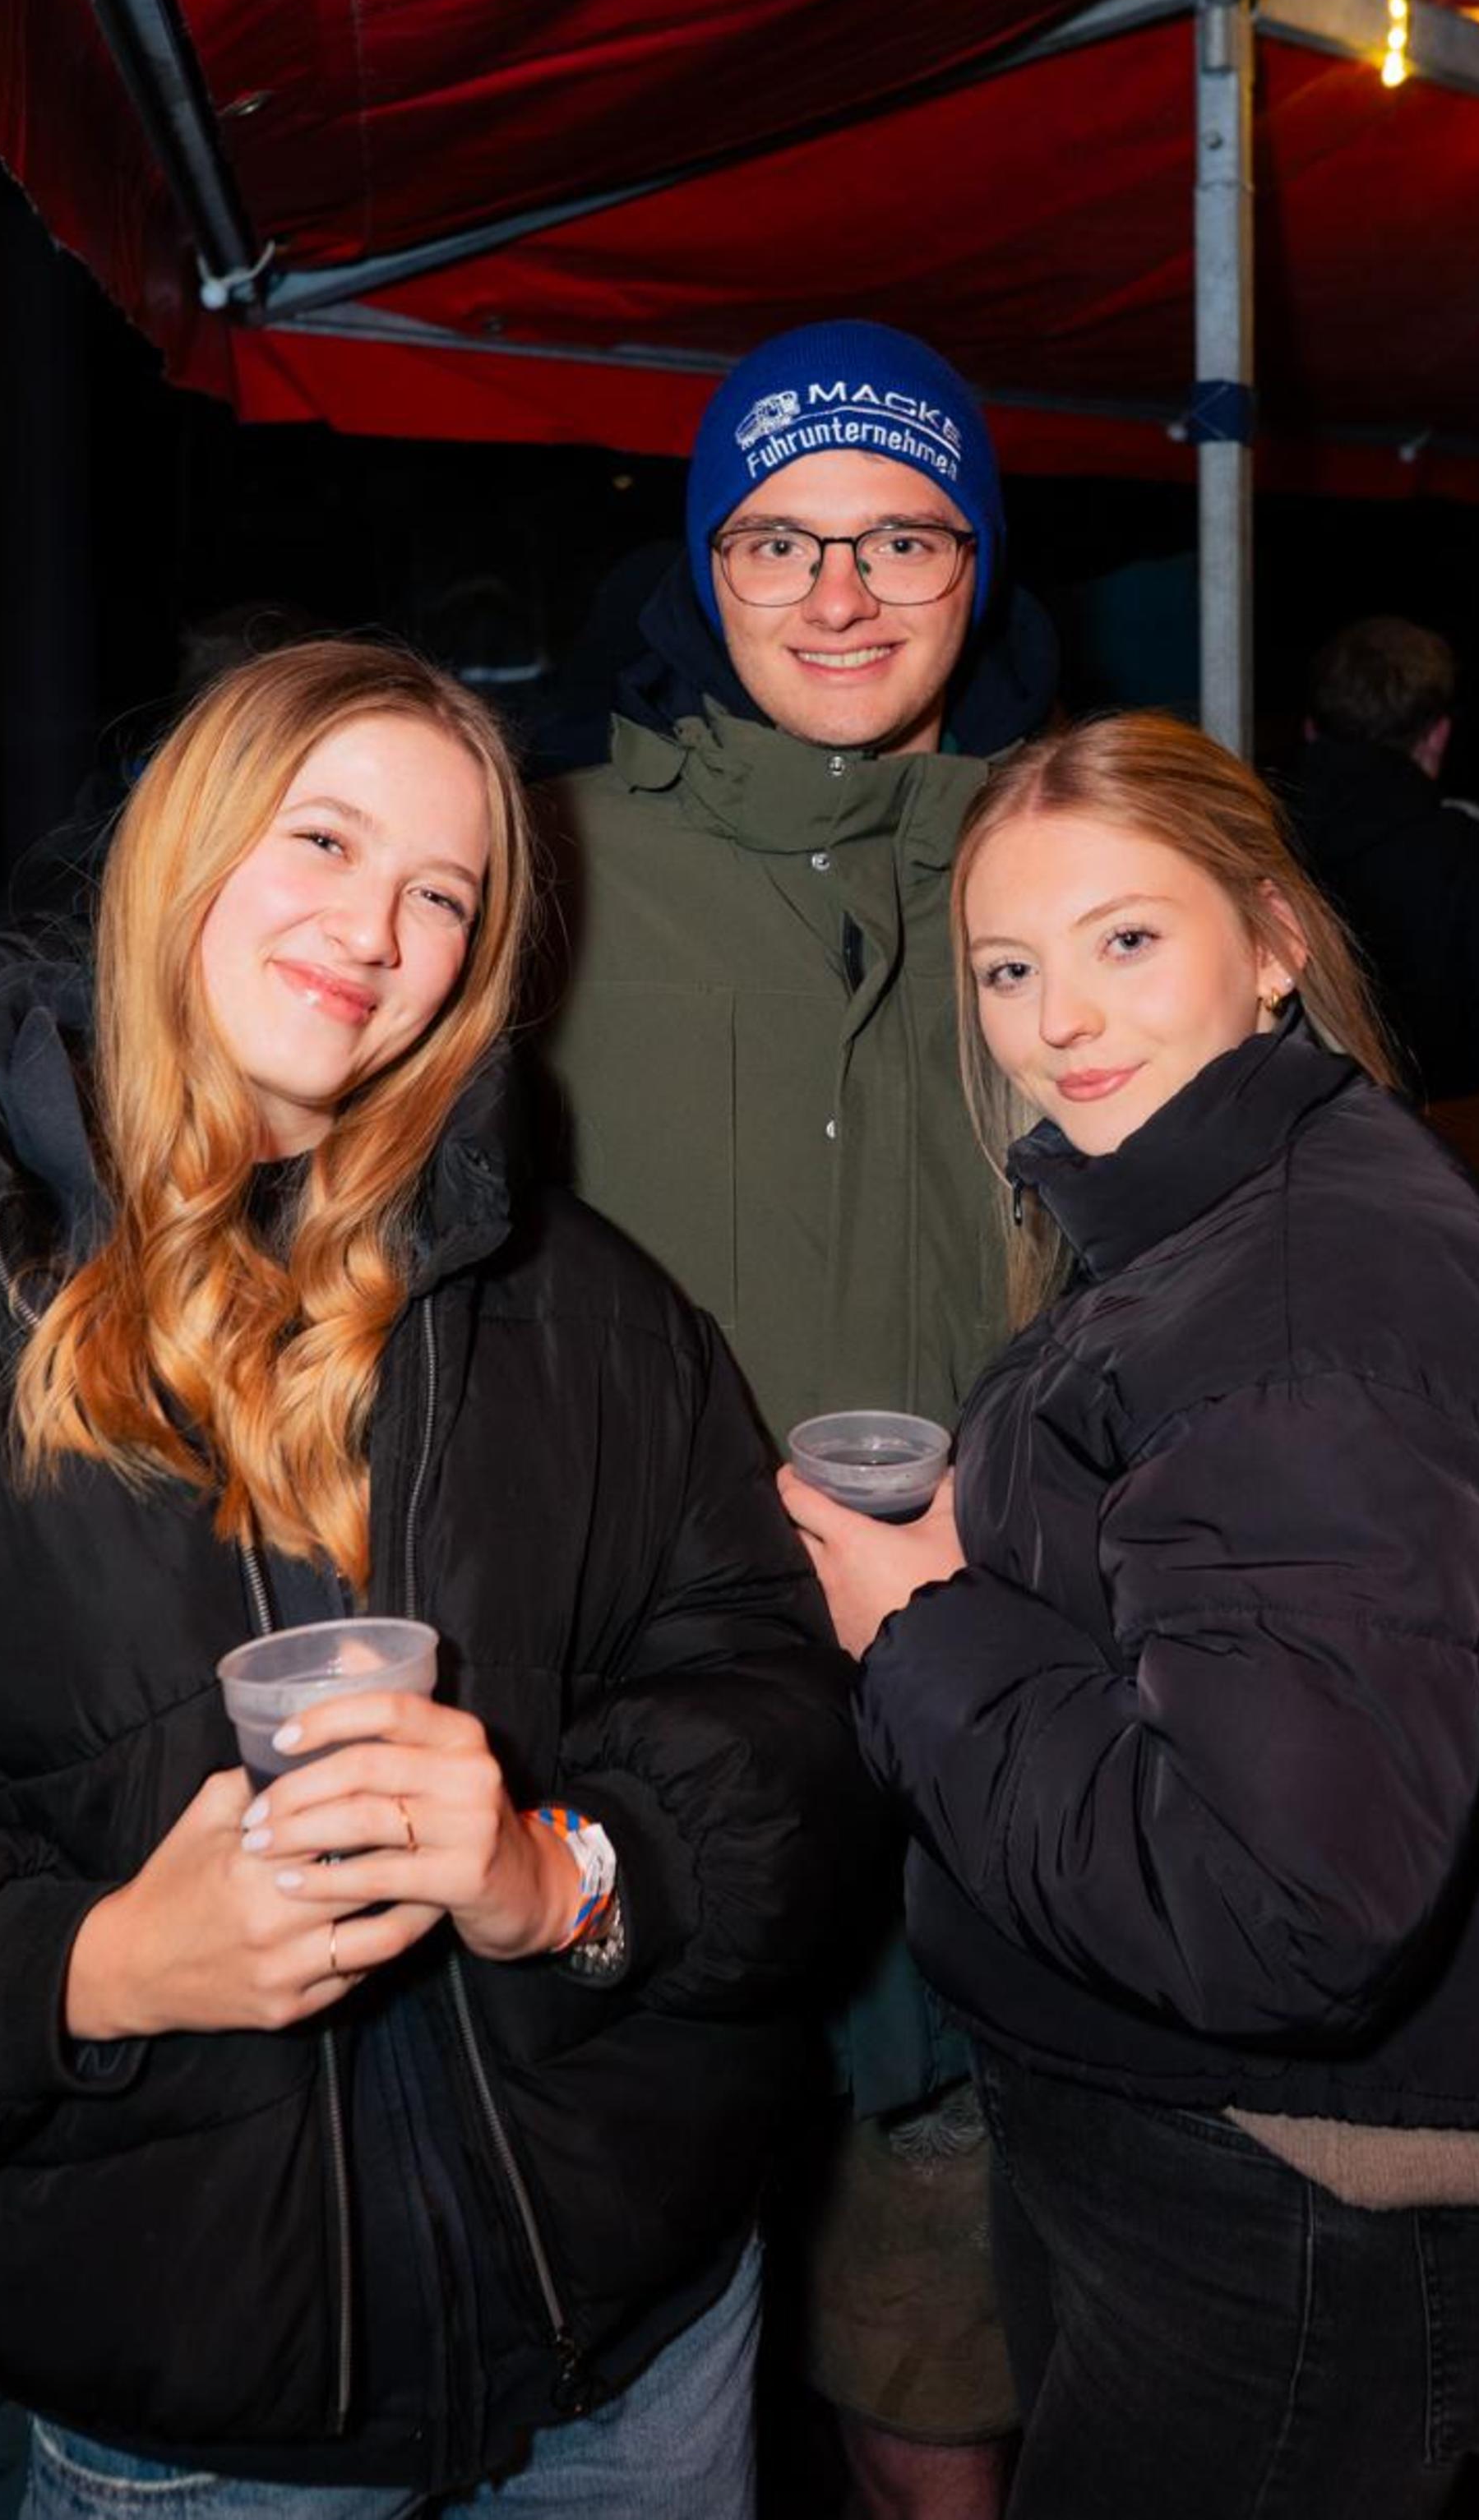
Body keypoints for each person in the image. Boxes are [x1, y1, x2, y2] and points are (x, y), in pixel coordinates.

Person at [0, 638, 876, 2520]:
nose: (371, 928)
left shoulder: (576, 1295)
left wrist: (572, 1869)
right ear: (182, 846)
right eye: (322, 839)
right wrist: (94, 1967)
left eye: (438, 894)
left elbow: (771, 1702)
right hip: (204, 2420)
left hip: (641, 2350)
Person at [788, 709, 1479, 2519]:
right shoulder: (1216, 1206)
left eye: (1129, 939)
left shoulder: (1296, 1295)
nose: (1061, 1021)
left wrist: (923, 1617)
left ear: (1273, 944)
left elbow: (1277, 1906)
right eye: (1011, 967)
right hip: (1209, 2150)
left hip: (1284, 2194)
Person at [538, 321, 1055, 2514]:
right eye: (781, 534)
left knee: (939, 2376)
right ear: (706, 561)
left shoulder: (1065, 865)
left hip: (972, 1750)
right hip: (625, 1757)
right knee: (626, 2394)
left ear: (975, 567)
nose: (839, 590)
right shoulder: (547, 864)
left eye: (900, 535)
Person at [1285, 612, 1479, 1099]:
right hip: (1460, 1141)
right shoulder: (1476, 853)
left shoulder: (1254, 839)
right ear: (1437, 736)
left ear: (1311, 730)